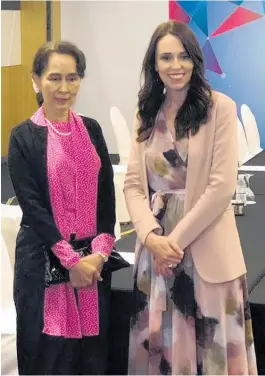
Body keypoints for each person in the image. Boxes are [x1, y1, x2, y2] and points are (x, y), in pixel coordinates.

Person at [124, 21, 257, 375]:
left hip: (206, 249)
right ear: (154, 64)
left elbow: (221, 188)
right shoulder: (146, 113)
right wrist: (152, 238)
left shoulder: (219, 108)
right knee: (161, 355)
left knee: (213, 355)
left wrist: (173, 243)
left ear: (195, 60)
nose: (175, 65)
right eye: (165, 57)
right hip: (155, 257)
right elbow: (134, 186)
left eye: (183, 56)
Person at [8, 41, 115, 375]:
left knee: (92, 356)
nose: (64, 88)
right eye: (54, 78)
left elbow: (106, 198)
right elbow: (34, 208)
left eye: (73, 78)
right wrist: (70, 261)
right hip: (43, 264)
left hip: (91, 265)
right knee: (50, 357)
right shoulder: (23, 137)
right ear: (36, 80)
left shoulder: (92, 129)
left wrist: (99, 253)